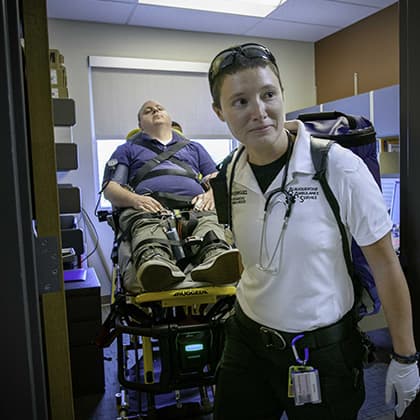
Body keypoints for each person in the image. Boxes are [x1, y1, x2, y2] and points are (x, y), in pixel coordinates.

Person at [207, 42, 420, 419]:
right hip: (246, 342)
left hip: (321, 351)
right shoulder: (229, 173)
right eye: (240, 102)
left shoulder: (337, 167)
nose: (259, 112)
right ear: (219, 112)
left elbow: (387, 265)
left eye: (268, 94)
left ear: (282, 95)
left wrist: (405, 357)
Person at [102, 100, 242, 293]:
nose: (155, 111)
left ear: (169, 118)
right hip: (150, 211)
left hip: (196, 209)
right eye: (148, 111)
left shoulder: (194, 148)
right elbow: (111, 187)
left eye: (160, 108)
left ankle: (214, 259)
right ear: (140, 125)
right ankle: (155, 265)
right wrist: (137, 200)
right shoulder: (127, 149)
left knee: (211, 222)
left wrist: (211, 194)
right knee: (148, 229)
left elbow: (216, 179)